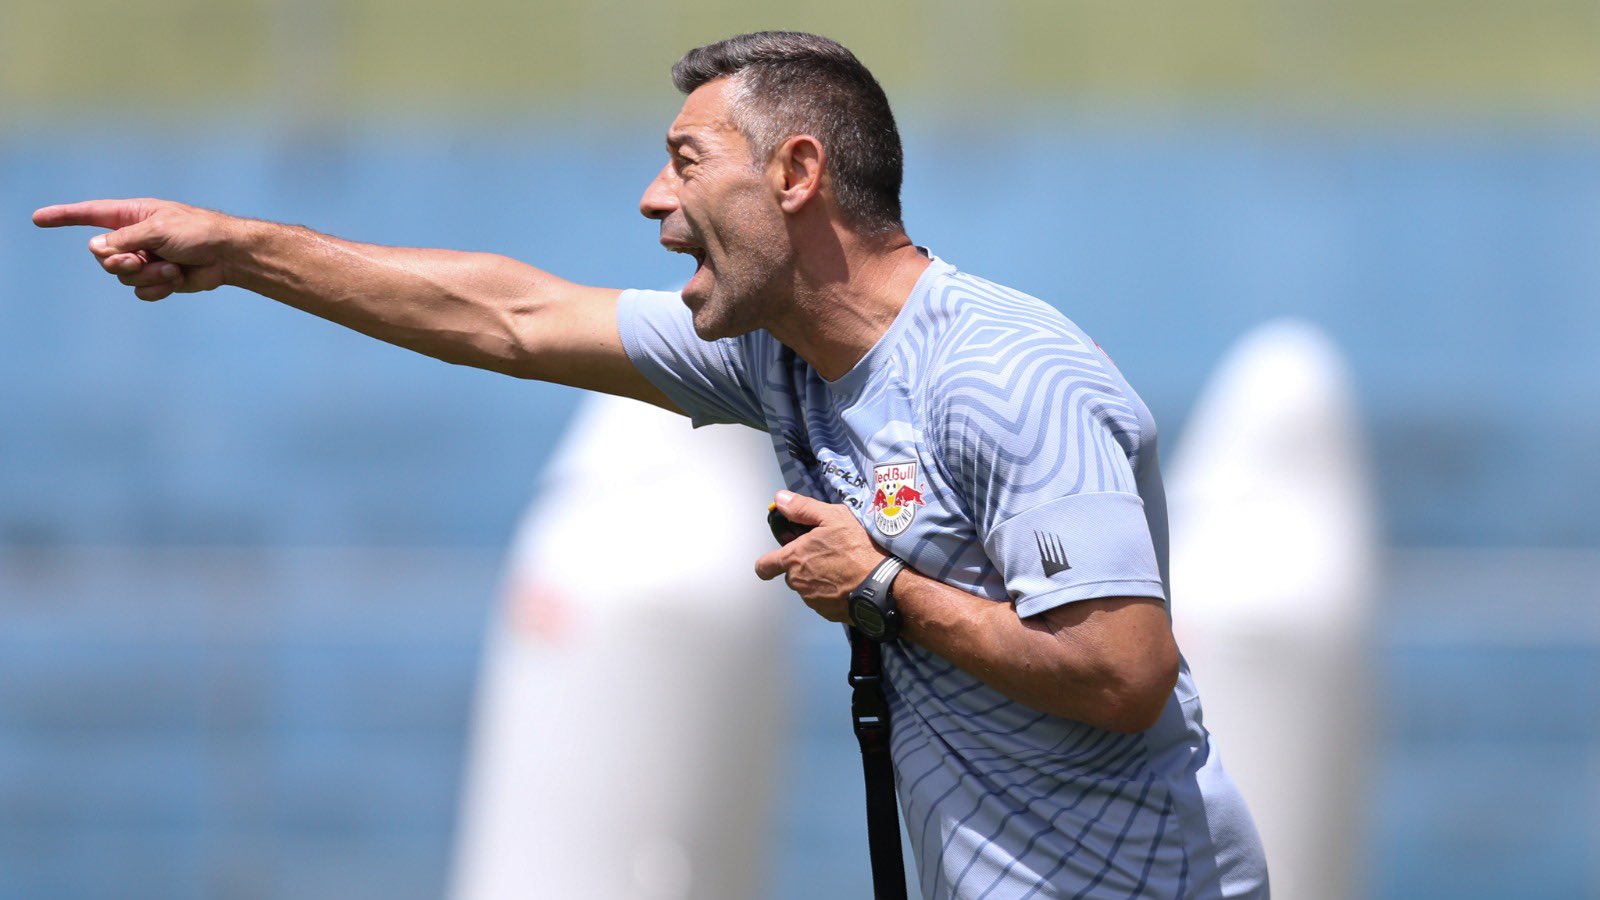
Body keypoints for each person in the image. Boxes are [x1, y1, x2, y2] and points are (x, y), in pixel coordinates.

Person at [34, 30, 1268, 900]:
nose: (648, 200)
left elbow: (1120, 674)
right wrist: (243, 248)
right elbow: (510, 317)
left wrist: (887, 591)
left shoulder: (1008, 376)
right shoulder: (774, 353)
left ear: (795, 175)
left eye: (685, 163)